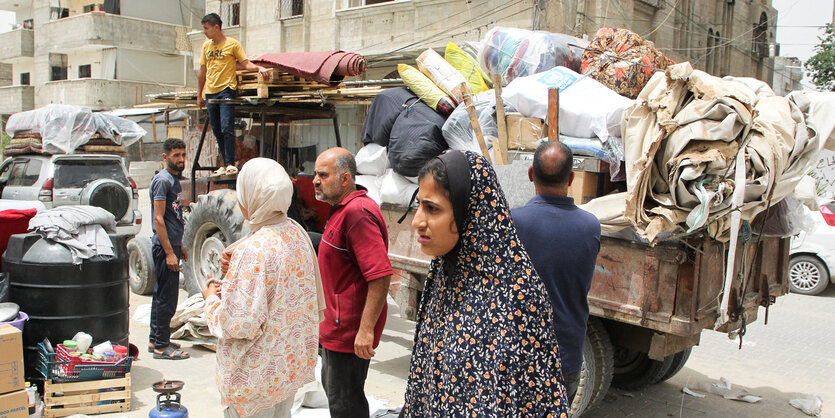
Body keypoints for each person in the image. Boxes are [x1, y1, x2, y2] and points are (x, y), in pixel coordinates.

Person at [402, 150, 569, 417]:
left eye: (432, 208)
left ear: (471, 211)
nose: (417, 221)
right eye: (419, 205)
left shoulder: (517, 295)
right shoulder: (444, 273)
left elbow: (538, 402)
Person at [202, 158, 325, 418]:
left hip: (255, 379)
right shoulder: (296, 232)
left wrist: (211, 302)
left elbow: (238, 324)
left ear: (255, 197)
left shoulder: (254, 250)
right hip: (284, 370)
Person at [511, 141, 602, 405]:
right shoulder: (590, 226)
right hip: (566, 357)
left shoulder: (513, 222)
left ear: (530, 174)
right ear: (572, 178)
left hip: (519, 358)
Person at [313, 147, 392, 418]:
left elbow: (380, 275)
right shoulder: (342, 209)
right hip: (335, 326)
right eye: (316, 174)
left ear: (345, 179)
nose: (315, 180)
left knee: (346, 404)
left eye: (323, 175)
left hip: (349, 333)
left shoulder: (357, 213)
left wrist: (366, 330)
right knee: (338, 397)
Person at [197, 12, 271, 177]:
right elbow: (202, 71)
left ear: (216, 27)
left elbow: (245, 63)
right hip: (210, 92)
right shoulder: (206, 46)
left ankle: (230, 163)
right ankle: (224, 163)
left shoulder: (232, 44)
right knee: (216, 130)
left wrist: (259, 68)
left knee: (226, 127)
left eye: (206, 28)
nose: (205, 32)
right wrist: (199, 95)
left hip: (226, 90)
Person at [149, 138, 190, 360]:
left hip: (171, 244)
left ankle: (155, 338)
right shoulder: (163, 181)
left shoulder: (174, 181)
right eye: (176, 155)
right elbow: (158, 218)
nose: (181, 160)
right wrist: (169, 252)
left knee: (160, 296)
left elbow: (173, 217)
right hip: (164, 247)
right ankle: (162, 347)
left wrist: (179, 245)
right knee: (167, 298)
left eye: (183, 155)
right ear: (165, 157)